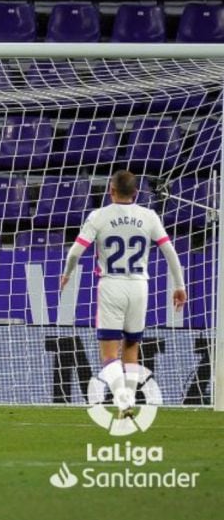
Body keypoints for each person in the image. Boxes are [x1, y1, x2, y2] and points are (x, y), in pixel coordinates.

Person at [60, 170, 187, 416]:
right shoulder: (149, 216)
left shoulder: (99, 216)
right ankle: (129, 400)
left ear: (111, 190)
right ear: (136, 193)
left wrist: (67, 273)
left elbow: (75, 251)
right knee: (131, 348)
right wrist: (179, 286)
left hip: (112, 285)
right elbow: (170, 252)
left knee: (109, 353)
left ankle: (123, 402)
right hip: (140, 286)